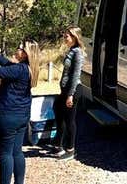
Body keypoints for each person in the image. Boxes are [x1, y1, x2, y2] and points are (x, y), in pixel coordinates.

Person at [0, 36, 40, 184]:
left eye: (20, 48)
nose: (17, 49)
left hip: (8, 116)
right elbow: (8, 65)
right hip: (22, 116)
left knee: (6, 154)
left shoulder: (19, 69)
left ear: (26, 53)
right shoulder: (28, 68)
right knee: (17, 152)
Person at [52, 26, 84, 161]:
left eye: (67, 36)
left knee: (70, 120)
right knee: (58, 111)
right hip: (65, 90)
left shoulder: (77, 52)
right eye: (64, 36)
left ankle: (70, 150)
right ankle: (59, 144)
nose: (65, 38)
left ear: (74, 37)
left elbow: (75, 75)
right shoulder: (71, 50)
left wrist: (70, 95)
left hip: (73, 90)